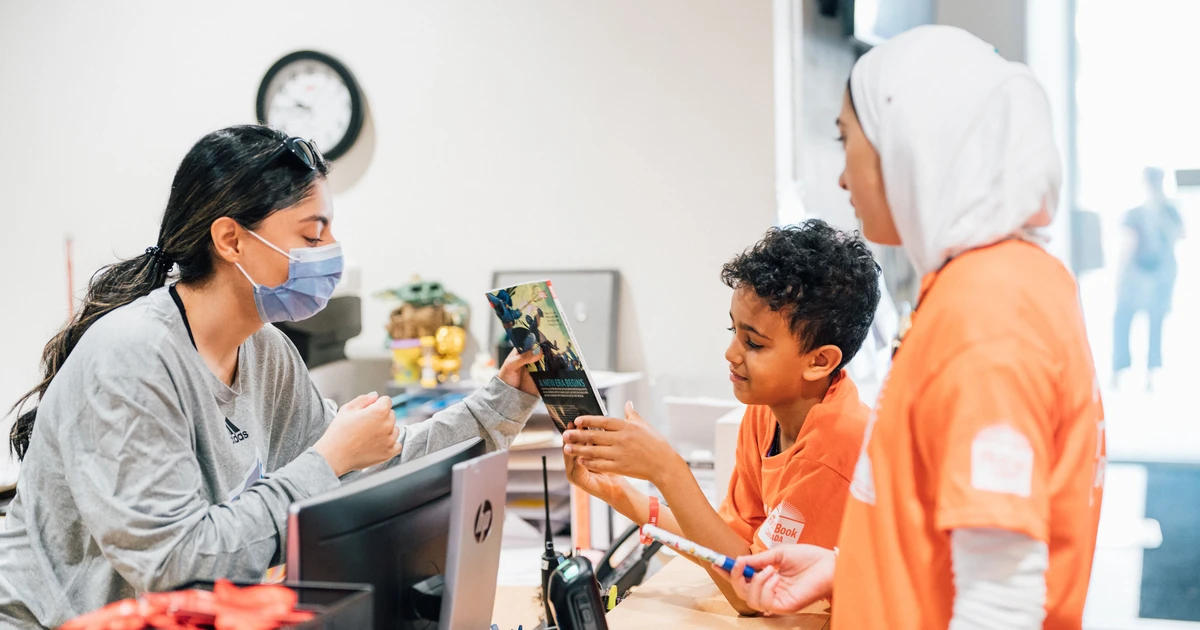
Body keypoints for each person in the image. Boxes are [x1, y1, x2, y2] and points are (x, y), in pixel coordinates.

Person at [0, 126, 542, 629]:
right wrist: (327, 460)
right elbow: (177, 568)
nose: (329, 252)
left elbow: (373, 474)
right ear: (231, 240)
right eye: (312, 234)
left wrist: (502, 401)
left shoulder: (265, 350)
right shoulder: (131, 360)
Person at [722, 26, 1106, 630]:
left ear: (911, 144)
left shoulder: (988, 309)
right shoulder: (999, 282)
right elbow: (952, 533)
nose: (844, 178)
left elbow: (1001, 598)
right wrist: (842, 564)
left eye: (847, 141)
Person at [562, 220, 881, 614]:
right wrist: (622, 494)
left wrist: (669, 470)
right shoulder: (766, 413)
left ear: (819, 361)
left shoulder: (835, 449)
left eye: (753, 343)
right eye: (733, 331)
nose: (731, 353)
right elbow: (734, 547)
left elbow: (753, 595)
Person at [1112, 167, 1186, 391]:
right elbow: (1129, 242)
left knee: (1149, 323)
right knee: (1128, 321)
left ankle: (1143, 375)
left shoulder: (1167, 212)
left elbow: (1181, 234)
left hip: (1155, 278)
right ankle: (1123, 372)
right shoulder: (1139, 213)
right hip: (1141, 277)